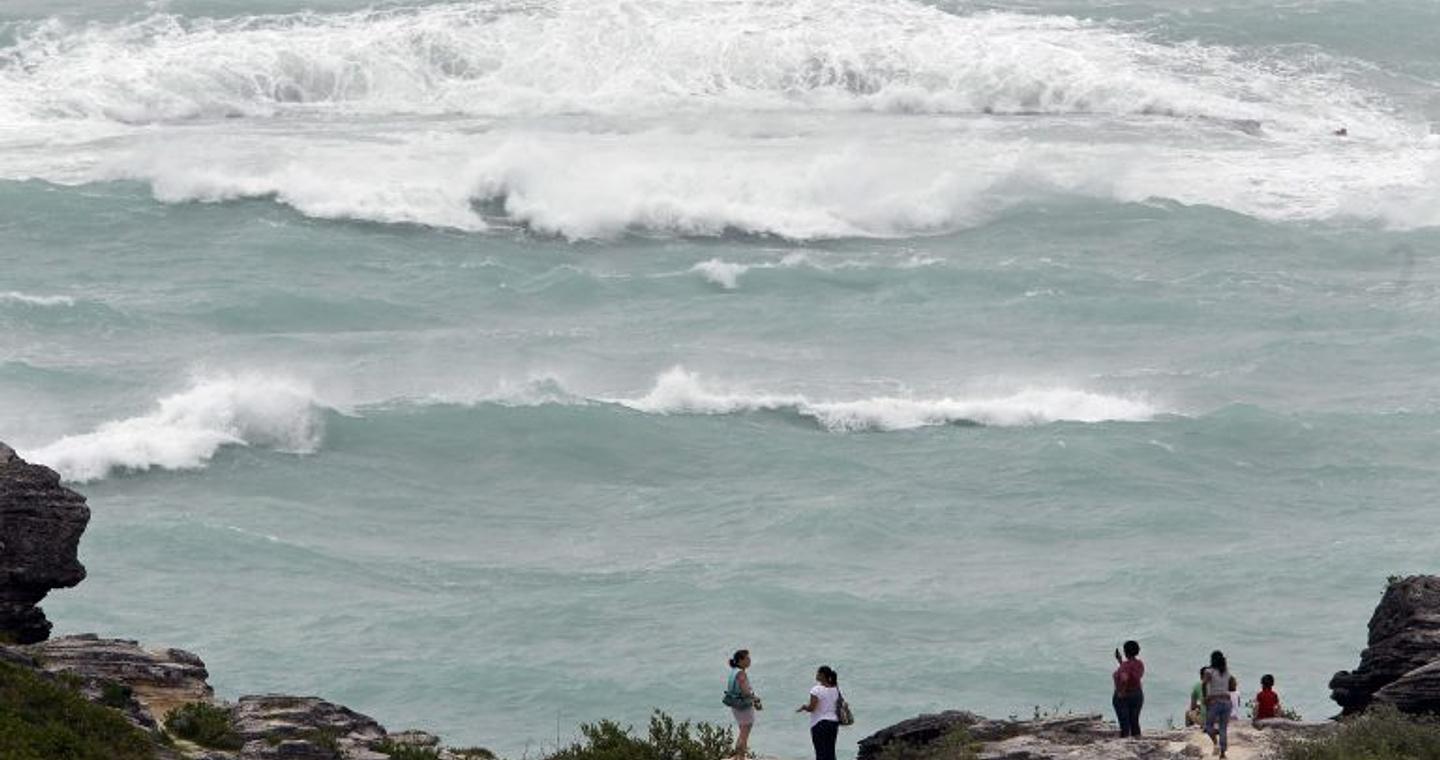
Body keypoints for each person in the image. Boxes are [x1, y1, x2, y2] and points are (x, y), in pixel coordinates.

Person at [797, 665, 841, 760]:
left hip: (819, 723)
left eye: (818, 673)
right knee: (830, 751)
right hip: (833, 723)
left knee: (820, 752)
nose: (816, 675)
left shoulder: (816, 689)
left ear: (822, 675)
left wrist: (804, 707)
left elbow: (812, 708)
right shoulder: (835, 689)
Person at [726, 650, 761, 760]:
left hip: (735, 705)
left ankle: (739, 756)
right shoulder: (741, 673)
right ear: (741, 661)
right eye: (747, 658)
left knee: (742, 731)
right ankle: (740, 757)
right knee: (744, 734)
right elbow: (745, 692)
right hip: (743, 706)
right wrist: (756, 699)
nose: (749, 660)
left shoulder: (733, 671)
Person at [1203, 651, 1238, 758]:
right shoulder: (1227, 672)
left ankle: (1216, 743)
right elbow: (1233, 687)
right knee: (1223, 728)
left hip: (1215, 701)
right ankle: (1222, 754)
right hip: (1227, 702)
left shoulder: (1209, 671)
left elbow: (1204, 684)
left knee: (1208, 726)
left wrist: (1206, 697)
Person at [1111, 640, 1145, 738]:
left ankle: (1126, 742)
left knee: (1124, 723)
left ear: (1125, 651)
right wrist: (1120, 661)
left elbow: (1125, 679)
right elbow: (1132, 675)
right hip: (1137, 694)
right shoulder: (1139, 664)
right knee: (1134, 721)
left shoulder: (1125, 666)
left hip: (1124, 697)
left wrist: (1121, 692)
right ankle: (1138, 741)